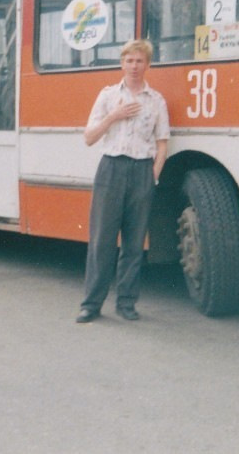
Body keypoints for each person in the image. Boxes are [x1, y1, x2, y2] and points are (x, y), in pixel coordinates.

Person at [77, 39, 169, 323]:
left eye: (140, 61)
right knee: (102, 240)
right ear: (121, 63)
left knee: (134, 242)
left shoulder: (156, 100)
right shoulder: (107, 96)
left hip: (142, 171)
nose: (134, 66)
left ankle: (127, 303)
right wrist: (114, 116)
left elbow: (162, 142)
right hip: (111, 170)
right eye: (129, 61)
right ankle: (91, 305)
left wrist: (152, 173)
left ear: (148, 65)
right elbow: (89, 137)